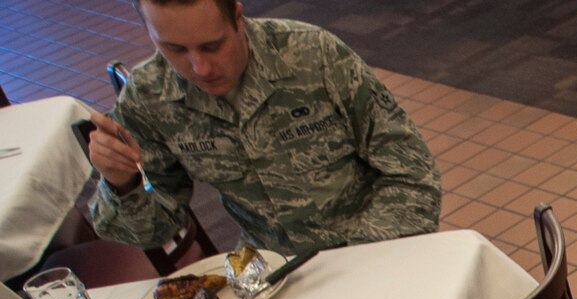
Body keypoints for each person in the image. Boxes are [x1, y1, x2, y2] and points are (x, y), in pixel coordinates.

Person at [86, 0, 441, 254]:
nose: (201, 68)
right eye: (174, 48)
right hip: (272, 271)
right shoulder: (149, 97)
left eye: (213, 46)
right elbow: (155, 233)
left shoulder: (312, 55)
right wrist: (123, 184)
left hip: (378, 248)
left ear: (238, 18)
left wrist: (359, 258)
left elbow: (412, 173)